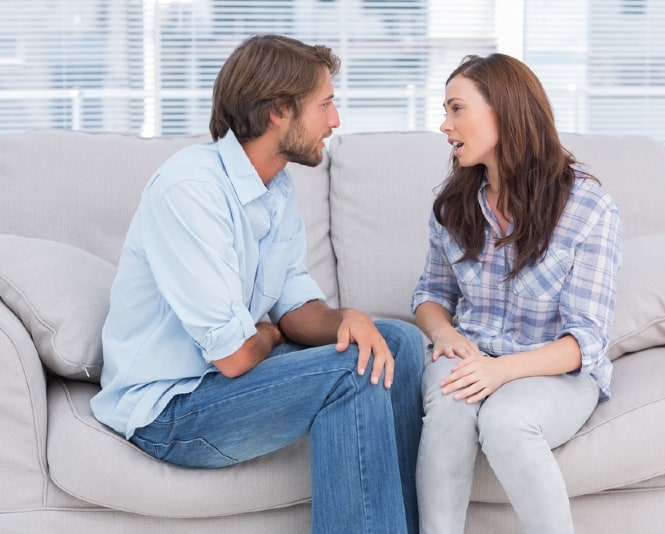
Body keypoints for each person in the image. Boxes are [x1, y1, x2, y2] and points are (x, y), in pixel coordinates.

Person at [91, 34, 424, 534]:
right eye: (326, 105)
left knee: (398, 342)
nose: (335, 122)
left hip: (227, 383)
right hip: (172, 410)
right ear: (278, 112)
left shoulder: (276, 185)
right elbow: (234, 356)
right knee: (353, 373)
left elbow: (293, 309)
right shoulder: (191, 191)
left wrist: (346, 318)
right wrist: (266, 334)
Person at [411, 53, 623, 534]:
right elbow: (429, 294)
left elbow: (586, 340)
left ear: (503, 110)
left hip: (554, 369)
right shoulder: (453, 204)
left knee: (507, 421)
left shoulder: (588, 207)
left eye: (456, 109)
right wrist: (443, 332)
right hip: (472, 349)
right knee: (449, 403)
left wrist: (500, 371)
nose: (445, 125)